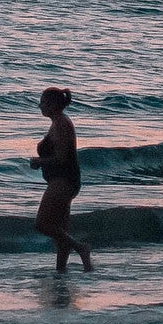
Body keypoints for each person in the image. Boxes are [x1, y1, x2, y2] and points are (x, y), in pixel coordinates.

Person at [33, 86, 92, 271]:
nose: (40, 106)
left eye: (42, 102)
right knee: (61, 230)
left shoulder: (61, 124)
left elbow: (61, 158)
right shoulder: (58, 122)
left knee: (42, 224)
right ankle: (62, 272)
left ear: (52, 104)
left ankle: (81, 248)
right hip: (65, 179)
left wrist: (39, 161)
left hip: (63, 180)